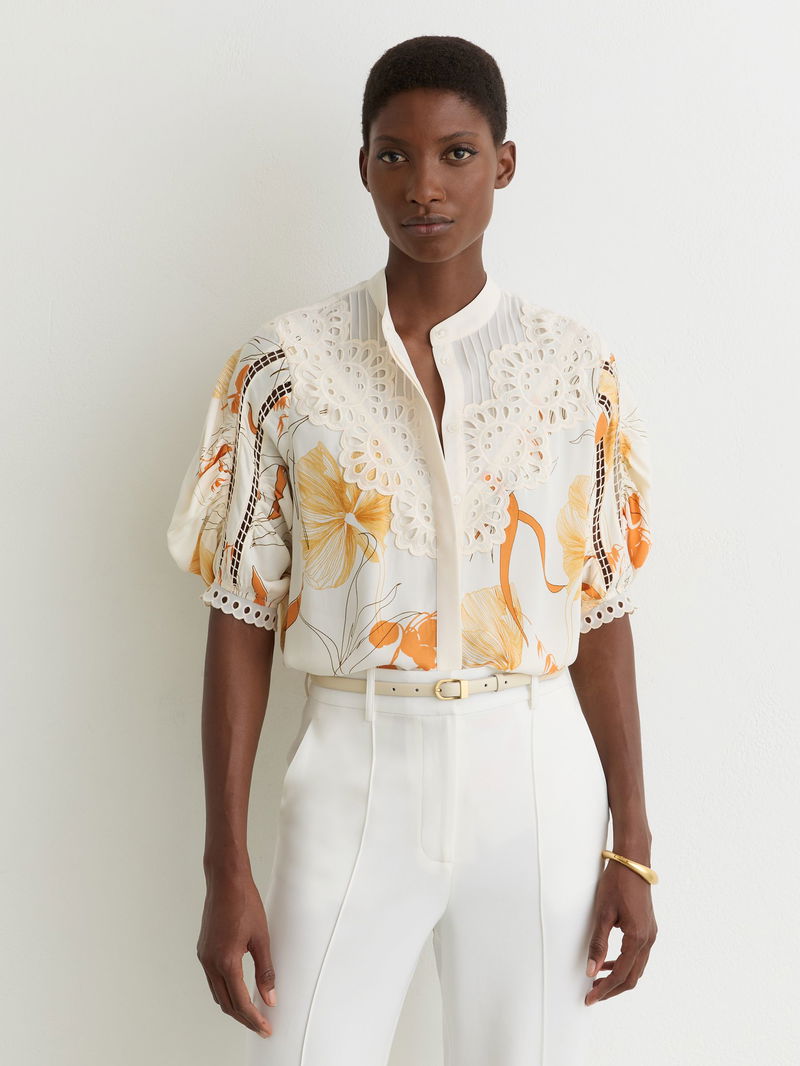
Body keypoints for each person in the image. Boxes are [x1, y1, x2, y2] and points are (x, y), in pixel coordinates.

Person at [167, 34, 658, 1066]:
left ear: (503, 164)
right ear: (363, 167)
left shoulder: (575, 369)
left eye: (456, 154)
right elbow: (241, 618)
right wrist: (225, 863)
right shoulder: (280, 369)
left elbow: (602, 608)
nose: (423, 185)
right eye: (394, 155)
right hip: (355, 768)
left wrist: (634, 844)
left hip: (534, 777)